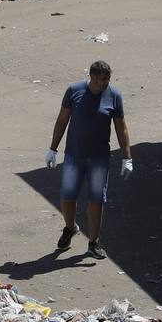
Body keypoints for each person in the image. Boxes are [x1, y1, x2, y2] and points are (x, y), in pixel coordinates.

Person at [45, 59, 132, 258]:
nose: (105, 84)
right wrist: (53, 149)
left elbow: (121, 127)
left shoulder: (114, 96)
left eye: (108, 80)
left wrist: (127, 157)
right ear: (91, 77)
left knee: (96, 199)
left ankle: (94, 242)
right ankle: (70, 228)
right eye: (102, 80)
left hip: (99, 158)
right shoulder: (74, 91)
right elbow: (62, 120)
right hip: (74, 155)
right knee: (68, 196)